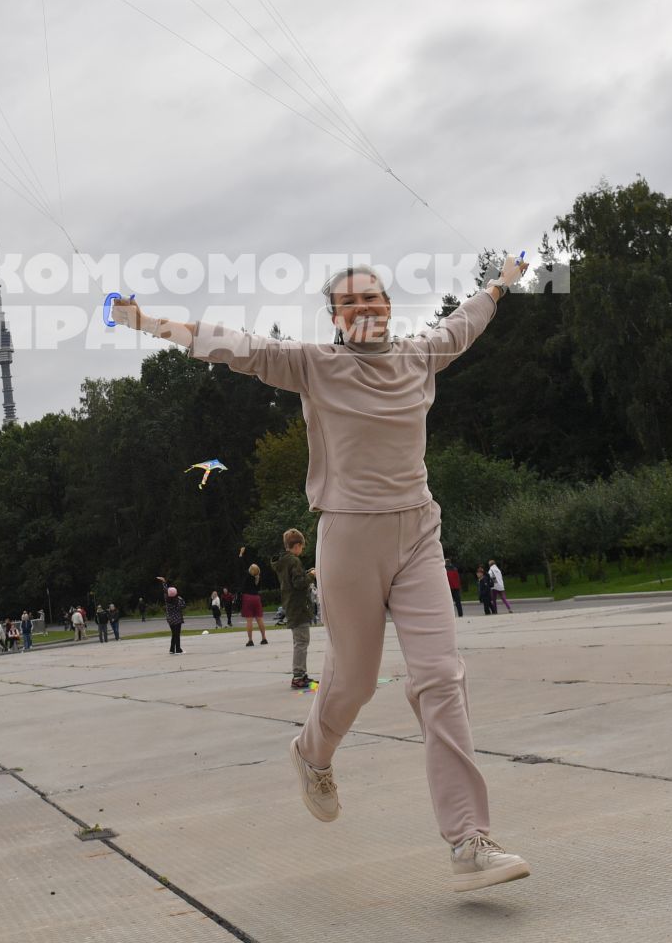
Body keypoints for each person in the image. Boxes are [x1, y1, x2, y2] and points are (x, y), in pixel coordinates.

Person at [111, 261, 533, 893]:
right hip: (348, 536)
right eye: (348, 303)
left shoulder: (420, 356)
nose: (362, 308)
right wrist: (146, 322)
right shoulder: (313, 365)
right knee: (355, 681)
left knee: (442, 677)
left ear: (388, 307)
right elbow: (234, 345)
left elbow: (465, 322)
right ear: (334, 319)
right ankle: (313, 752)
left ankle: (470, 839)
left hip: (419, 531)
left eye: (372, 298)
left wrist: (499, 284)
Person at [273, 529, 318, 689]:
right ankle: (298, 676)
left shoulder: (283, 561)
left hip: (290, 604)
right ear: (297, 545)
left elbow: (293, 581)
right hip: (298, 607)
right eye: (302, 547)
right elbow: (299, 583)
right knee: (302, 641)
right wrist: (312, 575)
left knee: (299, 641)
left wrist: (305, 574)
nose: (302, 550)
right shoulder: (294, 561)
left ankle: (301, 674)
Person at [238, 556, 270, 647]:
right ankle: (264, 638)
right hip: (256, 598)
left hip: (247, 598)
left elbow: (242, 566)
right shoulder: (258, 578)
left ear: (250, 570)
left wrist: (241, 555)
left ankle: (250, 640)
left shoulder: (248, 576)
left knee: (249, 620)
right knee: (259, 619)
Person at [162, 584, 186, 653]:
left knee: (173, 634)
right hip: (177, 620)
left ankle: (172, 649)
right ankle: (178, 649)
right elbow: (184, 605)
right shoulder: (178, 601)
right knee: (177, 634)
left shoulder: (167, 600)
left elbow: (165, 591)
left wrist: (164, 583)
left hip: (170, 620)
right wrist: (181, 598)